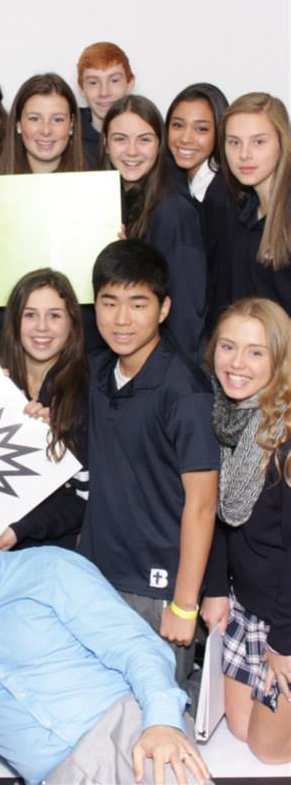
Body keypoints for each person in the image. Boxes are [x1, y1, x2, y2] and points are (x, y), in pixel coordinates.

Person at [0, 491, 210, 785]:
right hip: (54, 777)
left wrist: (162, 722)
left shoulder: (50, 569)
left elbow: (134, 646)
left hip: (129, 733)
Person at [80, 239, 219, 687]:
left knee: (155, 713)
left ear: (163, 309)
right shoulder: (96, 372)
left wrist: (183, 604)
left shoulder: (185, 390)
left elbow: (202, 503)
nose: (122, 319)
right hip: (97, 575)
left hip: (157, 587)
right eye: (110, 302)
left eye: (138, 303)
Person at [201, 297, 291, 765]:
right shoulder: (223, 418)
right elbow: (213, 517)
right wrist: (215, 589)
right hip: (247, 603)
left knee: (267, 751)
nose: (237, 363)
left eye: (255, 352)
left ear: (280, 359)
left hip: (286, 617)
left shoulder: (286, 435)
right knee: (237, 729)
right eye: (228, 347)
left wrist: (283, 647)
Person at [99, 94, 207, 360]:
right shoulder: (109, 201)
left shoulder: (173, 211)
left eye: (144, 139)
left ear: (159, 145)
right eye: (120, 139)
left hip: (165, 366)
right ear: (105, 144)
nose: (132, 151)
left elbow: (187, 315)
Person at [0, 268, 89, 551]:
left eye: (55, 315)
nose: (42, 327)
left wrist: (50, 438)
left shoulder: (86, 392)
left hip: (53, 558)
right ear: (14, 321)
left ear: (72, 323)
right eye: (30, 314)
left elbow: (84, 499)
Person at [206, 92, 291, 326]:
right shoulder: (238, 212)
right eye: (234, 142)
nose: (244, 154)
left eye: (259, 142)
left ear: (282, 142)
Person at [0, 73, 84, 175]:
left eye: (58, 120)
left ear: (71, 124)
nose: (46, 131)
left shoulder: (95, 187)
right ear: (18, 123)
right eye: (34, 119)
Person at [165, 82, 228, 204]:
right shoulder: (175, 180)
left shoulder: (222, 196)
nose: (185, 139)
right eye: (178, 125)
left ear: (220, 132)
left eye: (201, 129)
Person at [76, 41, 135, 169]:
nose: (104, 92)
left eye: (114, 81)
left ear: (130, 83)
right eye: (93, 83)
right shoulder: (65, 134)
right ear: (81, 88)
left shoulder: (150, 132)